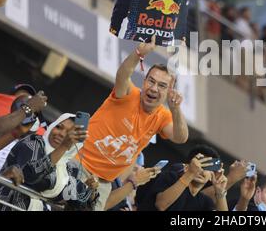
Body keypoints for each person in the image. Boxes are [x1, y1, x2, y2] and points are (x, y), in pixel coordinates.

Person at [76, 35, 188, 211]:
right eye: (151, 81)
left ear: (168, 92)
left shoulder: (163, 115)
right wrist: (138, 53)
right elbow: (123, 74)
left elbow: (181, 138)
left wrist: (176, 110)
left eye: (161, 86)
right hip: (78, 164)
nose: (153, 88)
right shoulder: (129, 93)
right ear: (144, 82)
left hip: (103, 183)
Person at [0, 113, 96, 211]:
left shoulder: (68, 168)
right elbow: (32, 178)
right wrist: (64, 146)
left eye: (69, 133)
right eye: (59, 127)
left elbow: (78, 203)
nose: (61, 134)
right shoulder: (32, 144)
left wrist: (90, 192)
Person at [135, 145, 228, 211]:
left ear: (211, 175)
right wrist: (190, 174)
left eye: (206, 168)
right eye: (199, 165)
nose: (201, 170)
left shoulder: (205, 202)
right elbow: (161, 205)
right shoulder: (170, 177)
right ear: (187, 166)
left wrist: (220, 192)